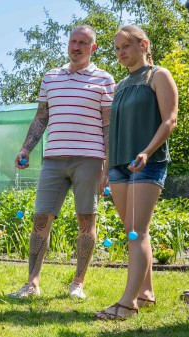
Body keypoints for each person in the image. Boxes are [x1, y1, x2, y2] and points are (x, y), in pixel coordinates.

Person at [9, 25, 115, 300]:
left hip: (89, 159)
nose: (76, 47)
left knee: (86, 220)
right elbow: (41, 117)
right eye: (73, 41)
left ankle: (77, 283)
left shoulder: (105, 80)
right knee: (40, 219)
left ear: (93, 48)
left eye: (83, 43)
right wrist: (25, 148)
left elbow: (108, 126)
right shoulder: (51, 78)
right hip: (53, 159)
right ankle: (32, 283)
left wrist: (108, 166)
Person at [94, 25, 178, 320]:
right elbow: (112, 131)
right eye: (117, 48)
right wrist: (105, 169)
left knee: (136, 231)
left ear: (143, 44)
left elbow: (170, 120)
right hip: (118, 166)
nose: (120, 53)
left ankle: (128, 303)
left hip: (147, 163)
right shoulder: (120, 85)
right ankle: (146, 292)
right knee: (135, 231)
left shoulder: (159, 76)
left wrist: (146, 151)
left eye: (125, 46)